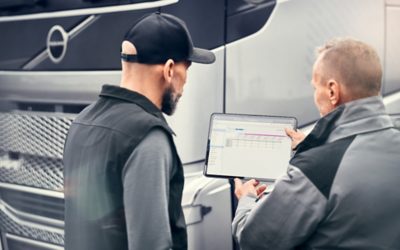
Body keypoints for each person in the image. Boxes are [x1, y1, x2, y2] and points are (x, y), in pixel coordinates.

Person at [63, 12, 215, 250]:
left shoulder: (81, 122)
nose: (185, 82)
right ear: (169, 70)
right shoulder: (147, 136)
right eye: (188, 68)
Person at [232, 38, 400, 249]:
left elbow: (255, 240)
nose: (314, 96)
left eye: (315, 87)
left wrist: (246, 200)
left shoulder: (317, 169)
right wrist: (315, 148)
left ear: (332, 91)